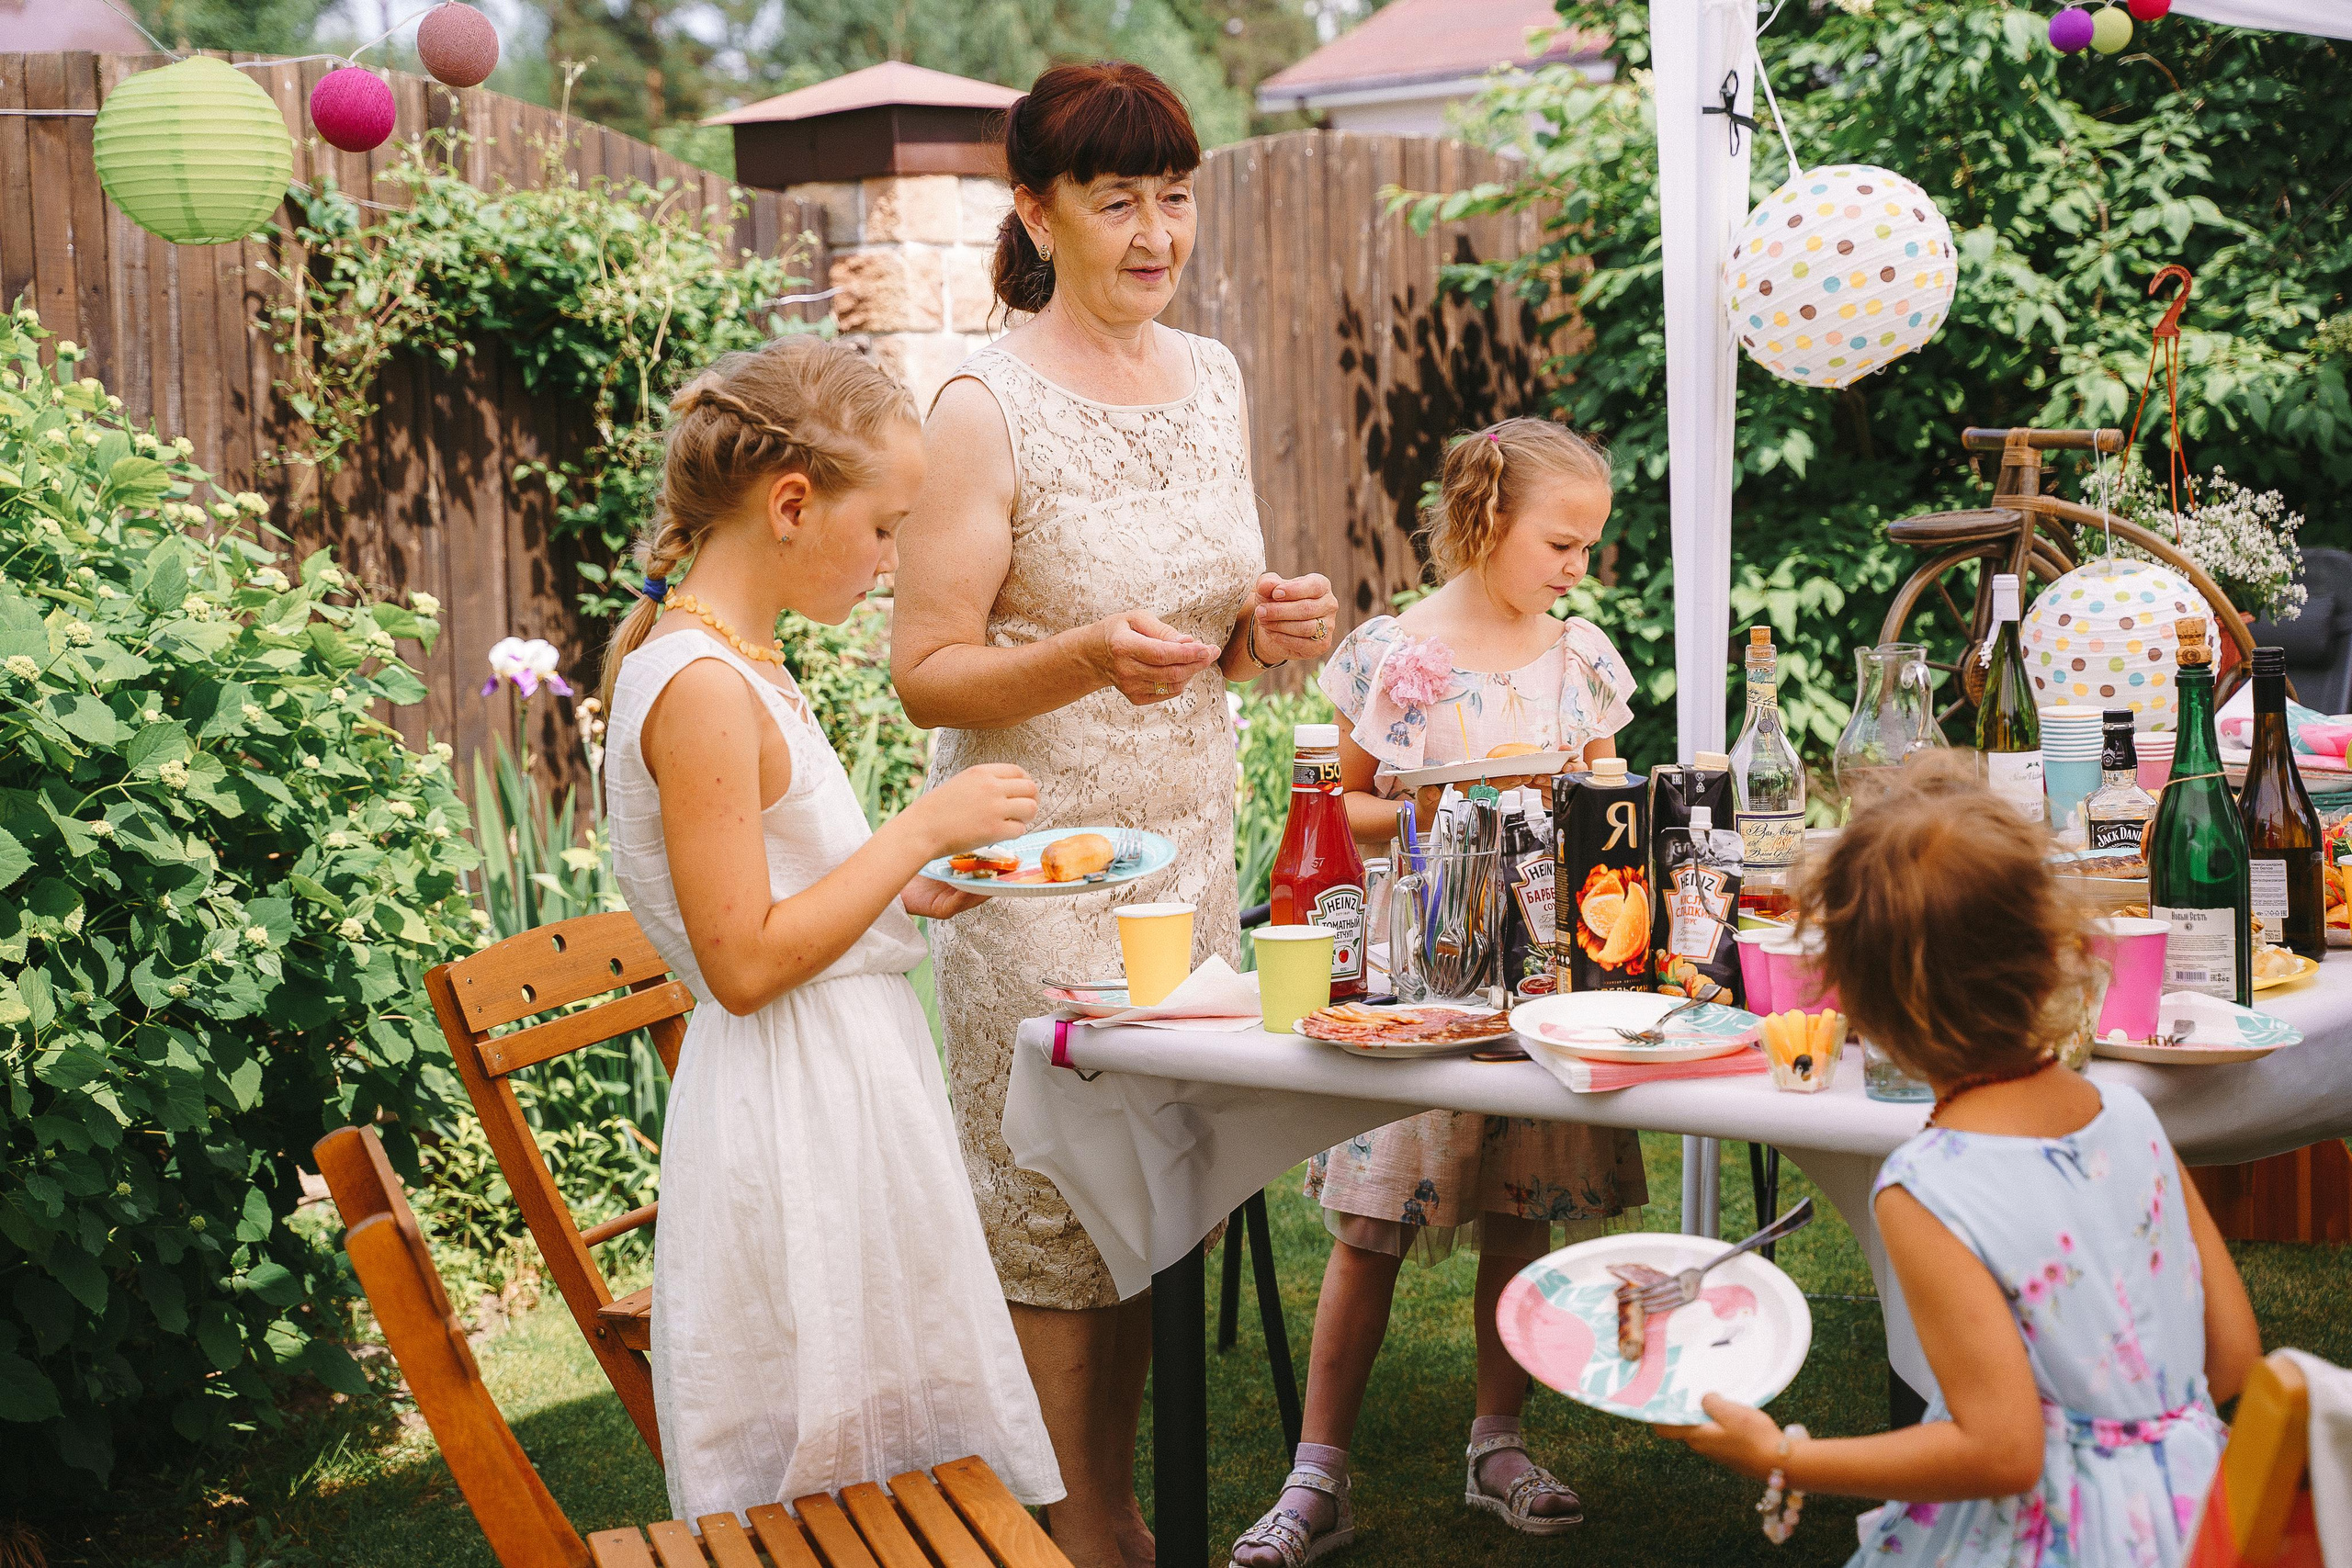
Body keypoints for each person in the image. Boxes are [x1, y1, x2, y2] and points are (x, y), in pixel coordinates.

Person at [890, 61, 1337, 1568]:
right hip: (1031, 870)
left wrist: (1272, 625)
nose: (1158, 231)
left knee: (1148, 1207)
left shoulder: (1210, 376)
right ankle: (1076, 1531)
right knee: (1052, 1222)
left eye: (1175, 195)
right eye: (1117, 197)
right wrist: (1081, 656)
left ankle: (1114, 1509)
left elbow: (1202, 628)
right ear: (1037, 207)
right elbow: (925, 673)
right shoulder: (981, 403)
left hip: (1184, 862)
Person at [598, 337, 1063, 1525]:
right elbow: (745, 963)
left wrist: (898, 888)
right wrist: (911, 834)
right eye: (888, 527)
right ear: (792, 504)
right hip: (790, 1109)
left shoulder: (744, 659)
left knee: (894, 1444)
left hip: (843, 1085)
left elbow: (785, 899)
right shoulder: (701, 686)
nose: (894, 560)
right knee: (829, 1472)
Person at [1664, 768, 2261, 1565]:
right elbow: (2231, 1359)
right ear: (2054, 955)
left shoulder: (1929, 1186)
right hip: (2204, 1520)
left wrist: (1785, 1453)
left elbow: (2001, 1450)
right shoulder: (2129, 1116)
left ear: (1861, 1004)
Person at [1232, 417, 1645, 1565]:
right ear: (1484, 521)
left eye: (1587, 547)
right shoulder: (1390, 656)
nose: (1578, 568)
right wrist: (1459, 794)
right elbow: (1336, 812)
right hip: (1421, 978)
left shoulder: (1583, 656)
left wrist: (1588, 803)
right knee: (1372, 1223)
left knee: (1524, 1207)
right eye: (1561, 543)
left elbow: (1605, 803)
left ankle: (1498, 1443)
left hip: (1546, 977)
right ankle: (1317, 1474)